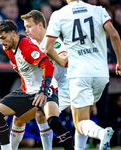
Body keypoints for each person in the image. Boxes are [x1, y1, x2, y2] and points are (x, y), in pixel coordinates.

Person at [44, 0, 121, 149]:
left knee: (79, 123)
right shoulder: (99, 10)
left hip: (80, 73)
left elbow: (48, 49)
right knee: (84, 116)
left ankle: (101, 134)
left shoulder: (59, 14)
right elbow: (114, 35)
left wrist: (61, 61)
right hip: (101, 74)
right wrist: (119, 61)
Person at [0, 20, 74, 150]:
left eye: (3, 38)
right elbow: (25, 70)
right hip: (27, 91)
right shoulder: (9, 48)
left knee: (52, 120)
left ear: (13, 33)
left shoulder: (27, 48)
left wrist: (43, 90)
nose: (1, 42)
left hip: (46, 89)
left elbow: (48, 66)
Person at [10, 10, 87, 150]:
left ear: (40, 25)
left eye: (29, 26)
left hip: (63, 87)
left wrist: (64, 58)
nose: (26, 30)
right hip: (44, 87)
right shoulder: (29, 43)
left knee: (43, 115)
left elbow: (64, 58)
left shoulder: (53, 41)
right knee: (23, 117)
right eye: (25, 26)